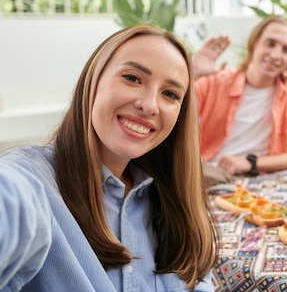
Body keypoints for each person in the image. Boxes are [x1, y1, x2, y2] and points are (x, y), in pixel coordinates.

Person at [0, 25, 219, 291]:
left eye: (170, 94)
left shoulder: (179, 207)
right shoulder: (30, 182)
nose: (149, 105)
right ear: (93, 80)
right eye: (132, 77)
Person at [193, 15, 287, 178]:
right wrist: (192, 73)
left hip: (263, 178)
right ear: (255, 43)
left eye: (286, 50)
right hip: (212, 172)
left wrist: (251, 162)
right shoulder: (215, 81)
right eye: (270, 43)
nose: (276, 55)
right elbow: (170, 117)